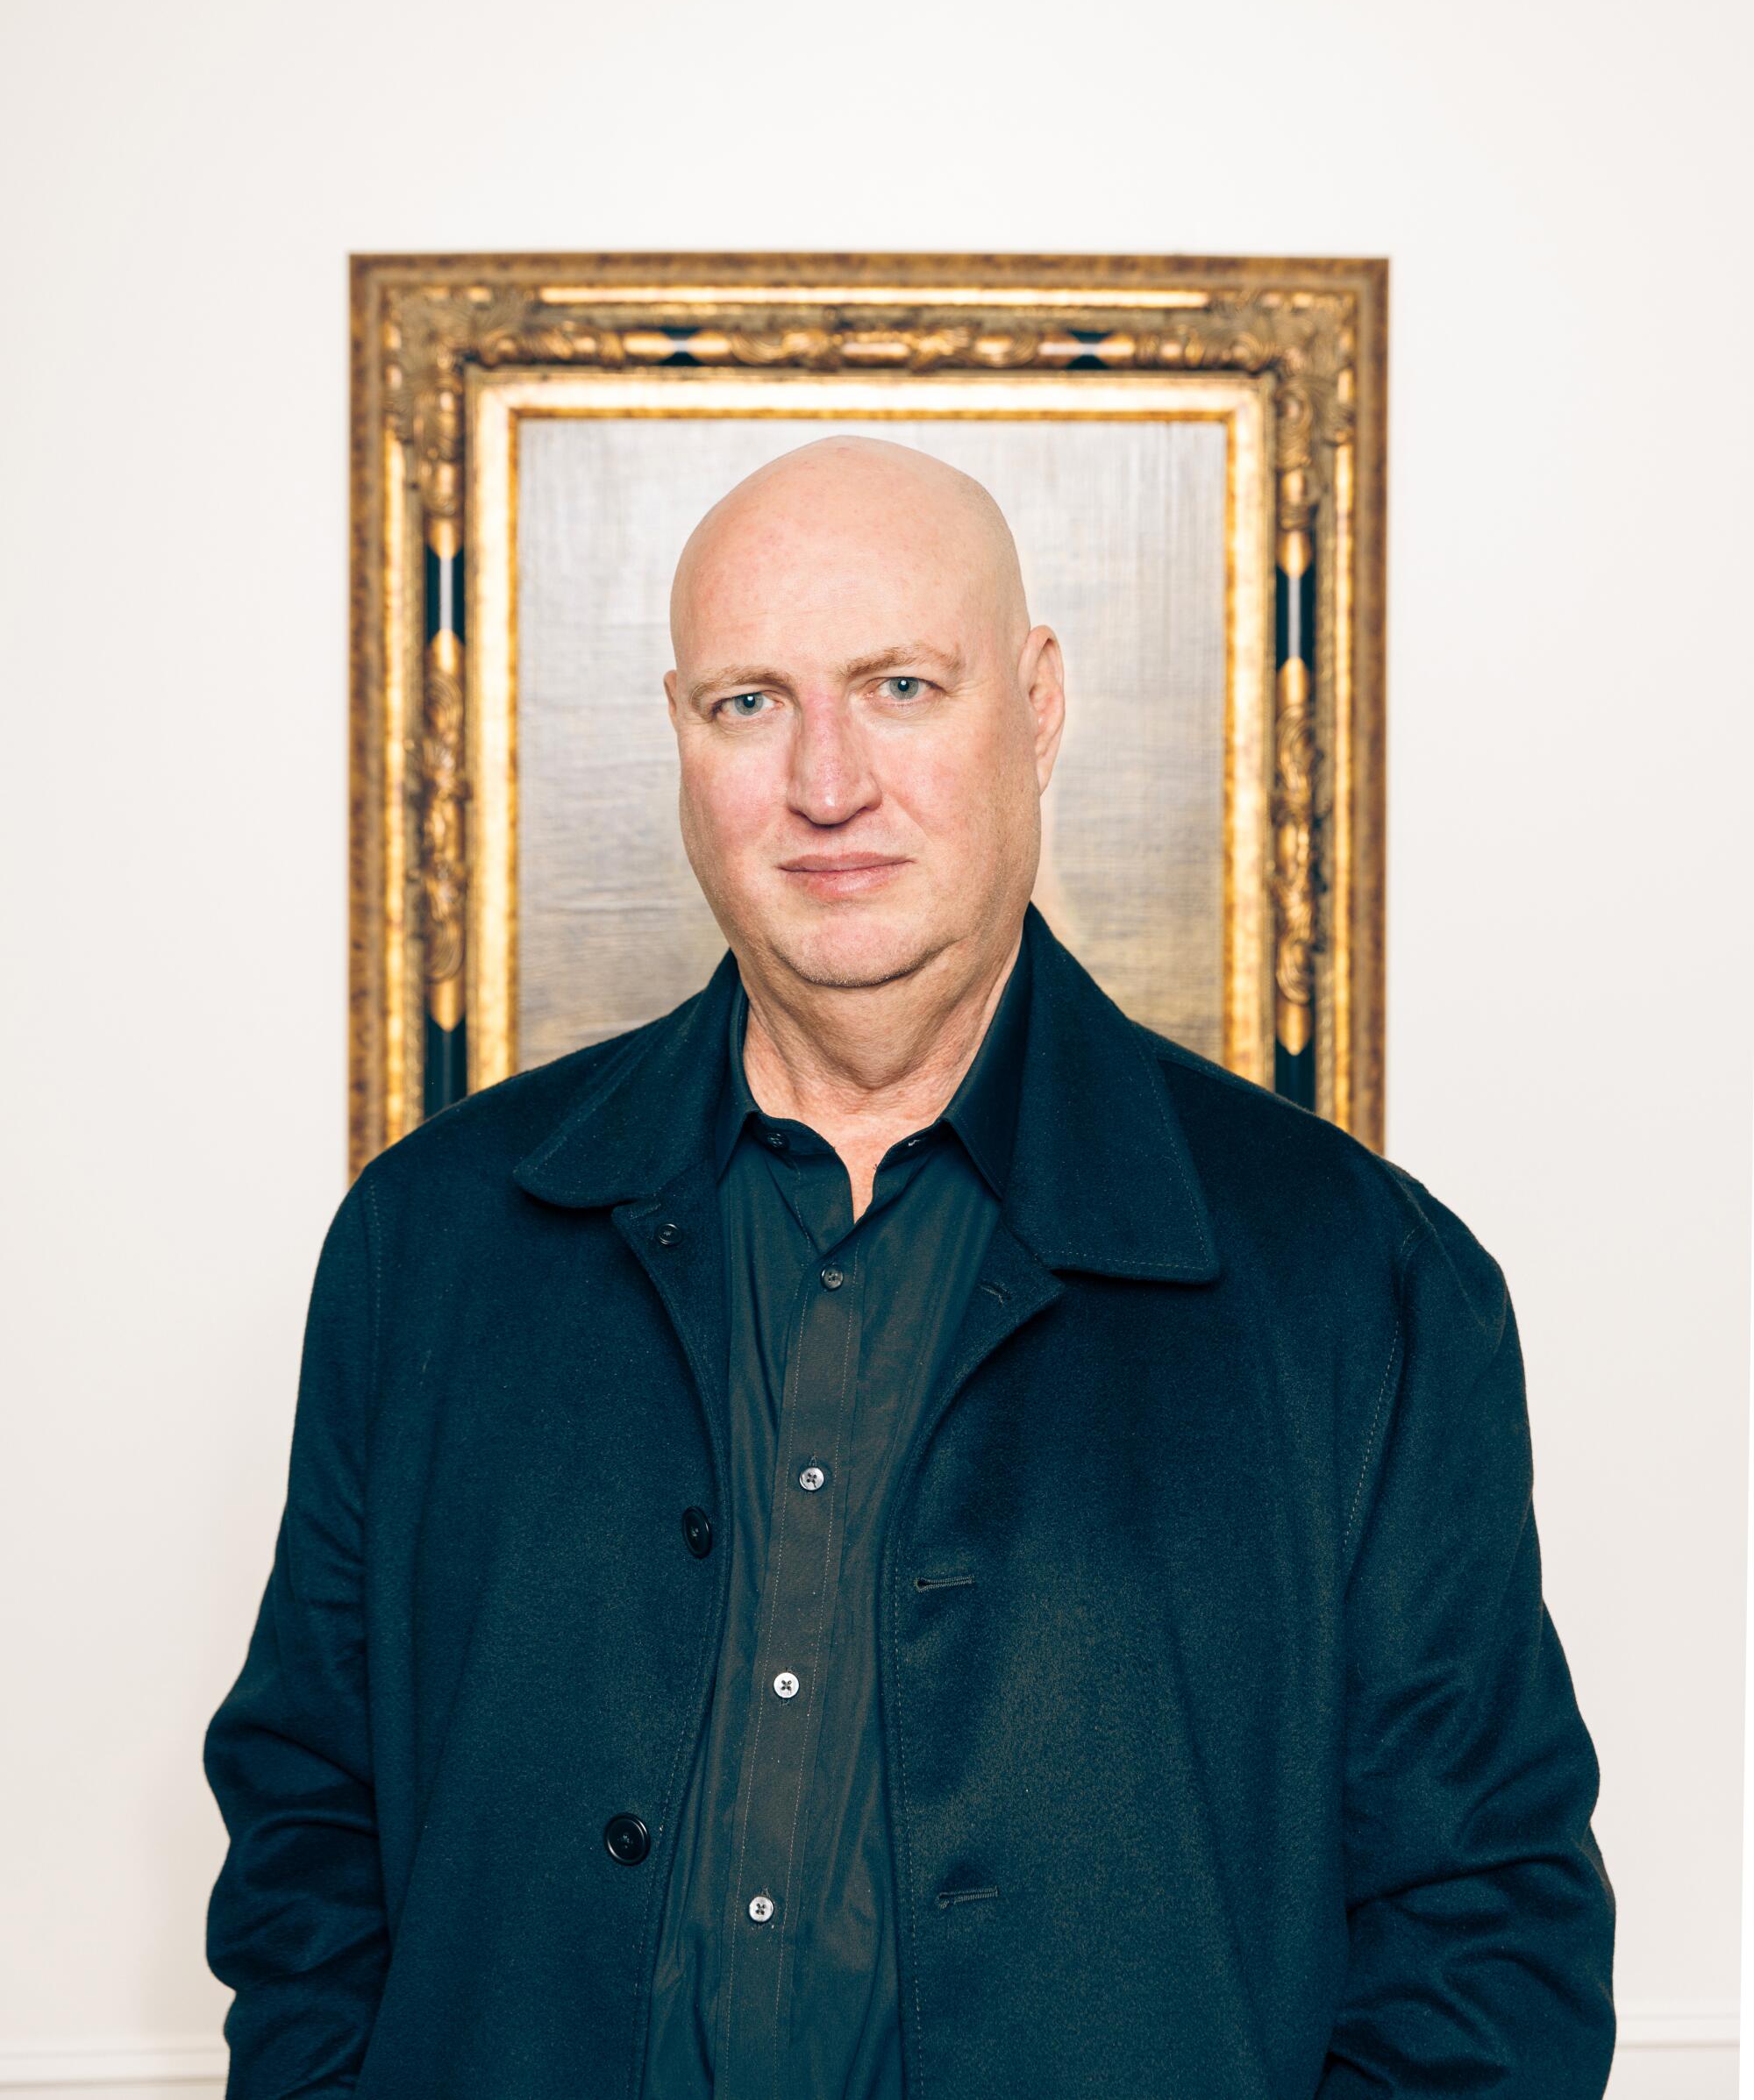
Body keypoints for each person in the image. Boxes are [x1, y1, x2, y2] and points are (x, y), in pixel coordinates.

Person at [203, 434, 1615, 2098]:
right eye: (749, 702)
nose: (824, 781)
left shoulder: (1354, 1279)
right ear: (678, 733)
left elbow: (1487, 1936)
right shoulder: (429, 1241)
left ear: (1037, 702)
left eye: (899, 685)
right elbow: (308, 1826)